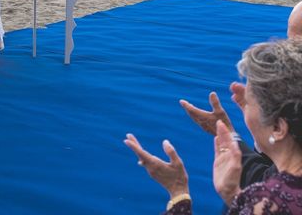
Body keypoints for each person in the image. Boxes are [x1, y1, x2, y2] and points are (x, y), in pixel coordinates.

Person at [124, 39, 302, 214]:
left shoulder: (269, 202)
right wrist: (235, 196)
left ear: (278, 128)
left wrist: (178, 193)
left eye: (248, 103)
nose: (243, 107)